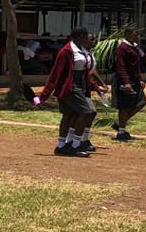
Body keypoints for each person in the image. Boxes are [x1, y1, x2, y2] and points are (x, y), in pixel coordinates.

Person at [38, 27, 105, 157]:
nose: (89, 40)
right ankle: (75, 146)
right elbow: (55, 73)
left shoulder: (83, 51)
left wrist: (95, 87)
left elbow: (86, 73)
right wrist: (44, 95)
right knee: (86, 112)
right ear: (80, 37)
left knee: (70, 115)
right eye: (86, 37)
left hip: (81, 86)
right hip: (70, 86)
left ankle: (62, 146)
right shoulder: (67, 51)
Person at [111, 27, 146, 141]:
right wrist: (126, 82)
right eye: (135, 34)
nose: (137, 37)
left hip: (135, 79)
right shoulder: (122, 48)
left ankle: (119, 123)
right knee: (125, 106)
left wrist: (140, 79)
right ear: (128, 34)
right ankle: (121, 131)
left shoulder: (135, 47)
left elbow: (137, 66)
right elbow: (121, 66)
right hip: (124, 80)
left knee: (141, 102)